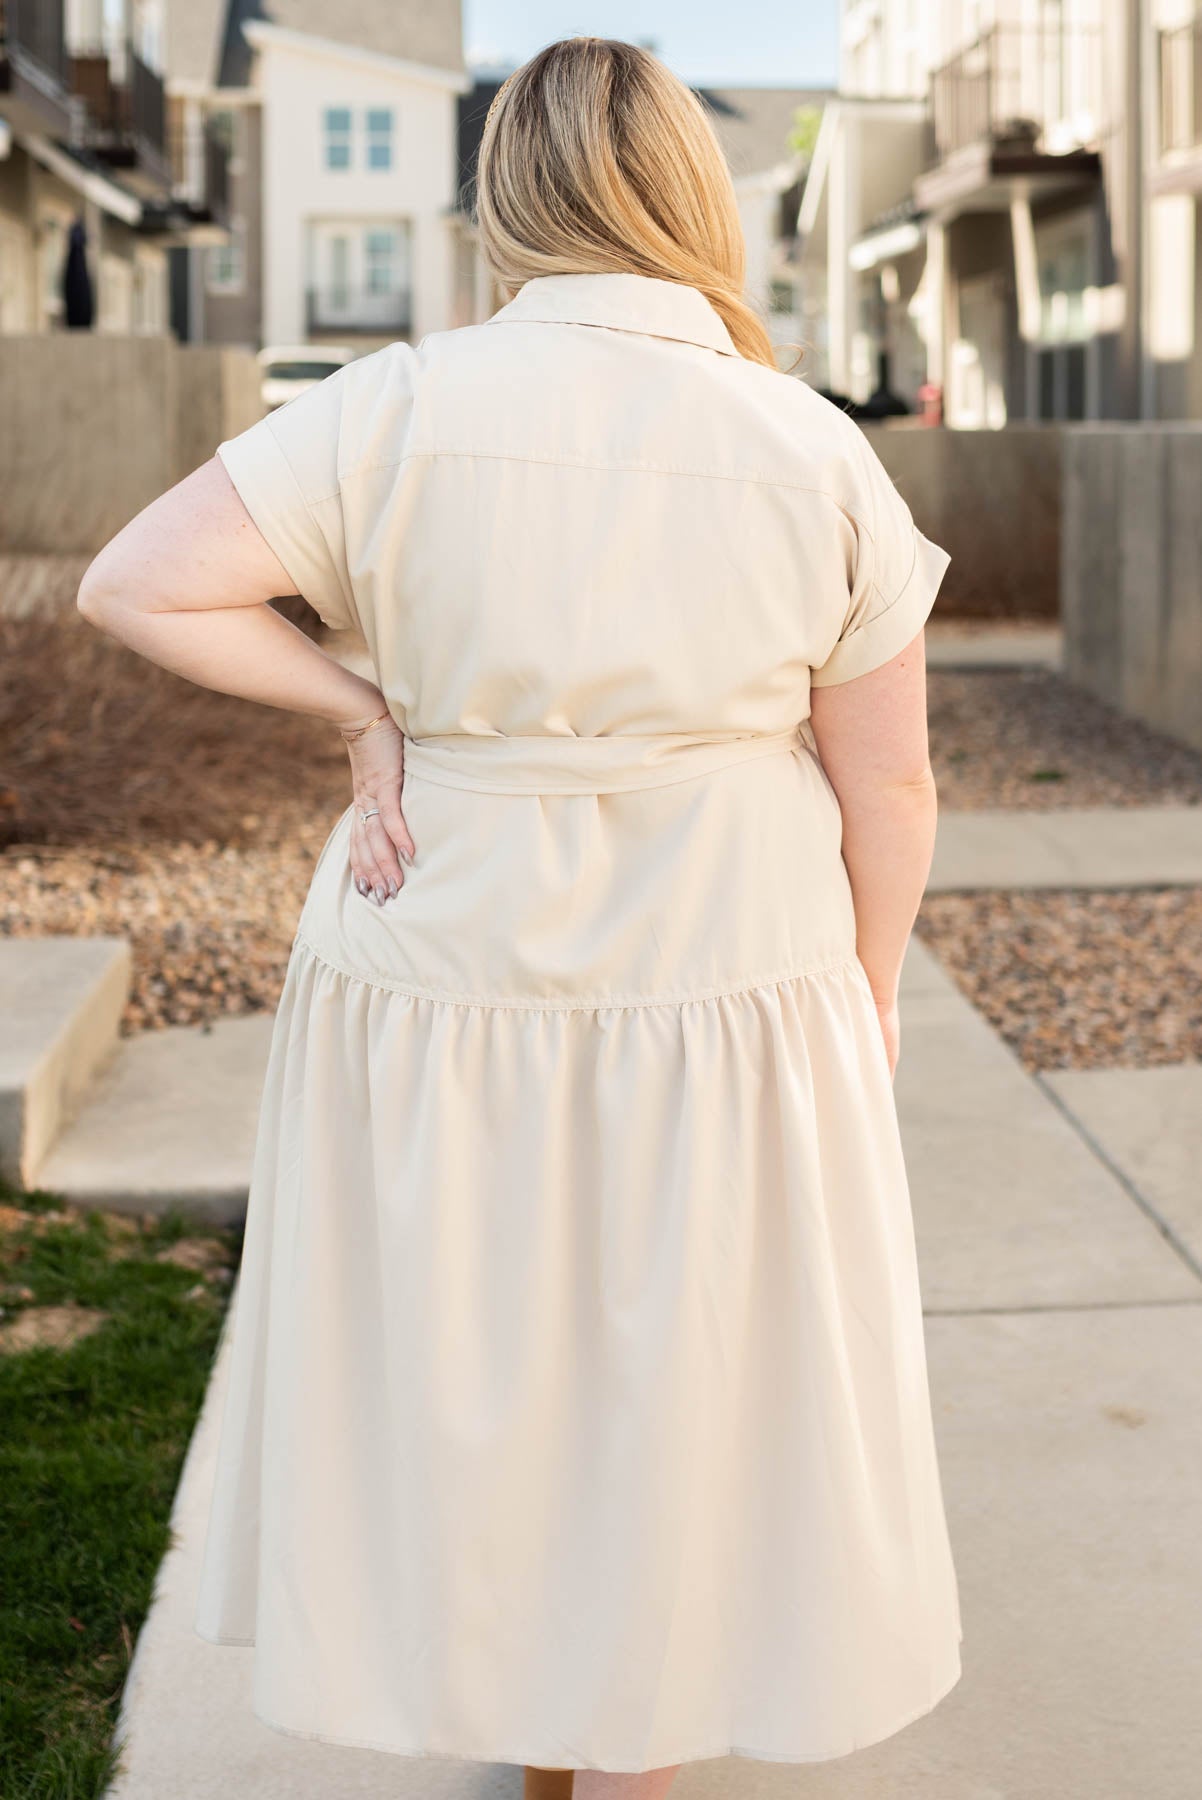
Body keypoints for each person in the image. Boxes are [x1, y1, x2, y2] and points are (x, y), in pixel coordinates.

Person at [77, 36, 962, 1799]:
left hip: (441, 948)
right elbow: (891, 786)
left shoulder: (392, 402)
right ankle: (632, 1730)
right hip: (733, 959)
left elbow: (137, 583)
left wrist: (365, 707)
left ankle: (523, 1711)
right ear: (691, 196)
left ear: (508, 197)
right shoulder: (808, 444)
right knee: (690, 1356)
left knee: (475, 1344)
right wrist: (862, 1000)